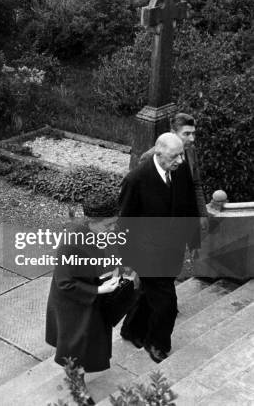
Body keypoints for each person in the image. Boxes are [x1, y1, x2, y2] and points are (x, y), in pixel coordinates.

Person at [118, 133, 199, 363]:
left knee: (148, 295)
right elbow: (125, 223)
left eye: (182, 154)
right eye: (175, 156)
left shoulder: (181, 170)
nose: (181, 160)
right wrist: (126, 261)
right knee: (167, 305)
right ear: (158, 153)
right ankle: (157, 342)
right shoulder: (136, 180)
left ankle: (132, 330)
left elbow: (190, 204)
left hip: (173, 251)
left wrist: (193, 240)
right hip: (148, 256)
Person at [45, 196, 121, 405]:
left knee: (88, 342)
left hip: (91, 296)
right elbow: (65, 283)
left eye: (115, 223)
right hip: (72, 303)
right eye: (109, 224)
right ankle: (77, 386)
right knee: (76, 347)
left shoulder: (100, 232)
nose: (113, 229)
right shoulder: (72, 241)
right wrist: (99, 289)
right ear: (91, 222)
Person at [139, 113, 208, 229]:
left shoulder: (190, 150)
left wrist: (202, 214)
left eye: (193, 133)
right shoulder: (150, 158)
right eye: (186, 134)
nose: (192, 139)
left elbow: (196, 184)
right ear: (172, 133)